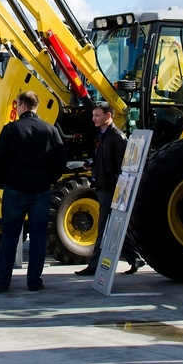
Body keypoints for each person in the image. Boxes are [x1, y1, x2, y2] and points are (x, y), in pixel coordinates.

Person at [0, 91, 67, 292]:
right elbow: (60, 161)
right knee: (39, 237)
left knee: (9, 236)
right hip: (41, 190)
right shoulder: (50, 130)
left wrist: (4, 180)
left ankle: (2, 282)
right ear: (36, 107)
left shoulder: (11, 129)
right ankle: (34, 281)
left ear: (21, 106)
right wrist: (50, 179)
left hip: (15, 189)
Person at [75, 102, 143, 276]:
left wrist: (119, 190)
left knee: (103, 227)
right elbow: (104, 161)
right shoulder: (103, 135)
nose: (94, 119)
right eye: (93, 115)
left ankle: (94, 265)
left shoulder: (117, 137)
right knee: (113, 226)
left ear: (108, 116)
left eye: (97, 115)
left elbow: (123, 167)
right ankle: (135, 259)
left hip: (111, 189)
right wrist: (92, 165)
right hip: (103, 186)